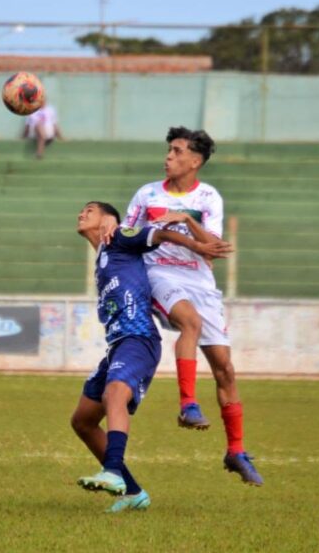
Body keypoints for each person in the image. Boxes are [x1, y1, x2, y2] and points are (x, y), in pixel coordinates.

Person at [104, 126, 264, 486]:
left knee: (225, 370)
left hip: (200, 281)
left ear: (195, 161)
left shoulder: (209, 197)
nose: (168, 157)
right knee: (188, 323)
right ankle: (188, 404)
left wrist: (186, 220)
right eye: (169, 151)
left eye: (177, 152)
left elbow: (214, 247)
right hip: (159, 273)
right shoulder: (146, 194)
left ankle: (235, 451)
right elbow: (127, 236)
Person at [72, 201, 232, 512]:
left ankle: (114, 471)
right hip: (117, 344)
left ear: (108, 219)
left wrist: (198, 246)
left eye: (89, 210)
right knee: (82, 421)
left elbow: (160, 235)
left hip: (138, 339)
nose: (81, 213)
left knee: (114, 393)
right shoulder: (103, 255)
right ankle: (132, 493)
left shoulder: (119, 237)